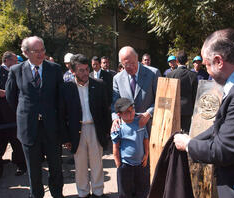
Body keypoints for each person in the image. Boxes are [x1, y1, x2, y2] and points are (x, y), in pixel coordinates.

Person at [173, 28, 234, 198]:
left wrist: (188, 145)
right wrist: (194, 139)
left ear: (218, 61)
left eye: (206, 65)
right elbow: (223, 126)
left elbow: (225, 150)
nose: (206, 71)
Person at [6, 36, 65, 198]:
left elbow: (60, 99)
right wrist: (27, 113)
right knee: (33, 170)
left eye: (42, 50)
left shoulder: (54, 69)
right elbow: (12, 97)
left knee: (56, 168)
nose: (40, 54)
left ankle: (57, 194)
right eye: (36, 51)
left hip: (51, 128)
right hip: (29, 129)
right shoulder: (16, 71)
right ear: (25, 53)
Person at [112, 46, 161, 195]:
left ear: (138, 58)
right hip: (127, 134)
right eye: (126, 65)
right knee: (127, 176)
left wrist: (149, 113)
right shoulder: (117, 78)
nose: (130, 67)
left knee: (146, 169)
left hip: (147, 128)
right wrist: (115, 119)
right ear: (121, 63)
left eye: (133, 63)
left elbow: (161, 99)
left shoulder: (153, 73)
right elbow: (115, 103)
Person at [62, 54, 110, 198]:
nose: (85, 73)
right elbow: (62, 115)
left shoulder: (99, 84)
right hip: (77, 131)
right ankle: (83, 193)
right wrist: (66, 138)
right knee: (80, 165)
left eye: (86, 69)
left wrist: (107, 131)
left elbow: (105, 111)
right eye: (81, 70)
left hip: (95, 129)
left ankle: (98, 192)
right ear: (73, 71)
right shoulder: (67, 88)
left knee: (97, 164)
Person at [111, 98, 149, 198]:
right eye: (127, 112)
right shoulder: (118, 127)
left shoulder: (140, 122)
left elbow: (145, 139)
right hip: (125, 165)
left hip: (140, 164)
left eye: (132, 109)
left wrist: (146, 154)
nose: (131, 113)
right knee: (125, 193)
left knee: (141, 191)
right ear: (119, 115)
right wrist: (119, 165)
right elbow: (115, 147)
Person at [0, 51, 26, 178]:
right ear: (7, 61)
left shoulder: (17, 73)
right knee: (1, 142)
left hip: (14, 115)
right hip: (1, 116)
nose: (17, 63)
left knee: (17, 143)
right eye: (15, 61)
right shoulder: (0, 72)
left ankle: (21, 165)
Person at [167, 51, 198, 133]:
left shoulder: (170, 75)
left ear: (176, 61)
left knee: (172, 133)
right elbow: (195, 95)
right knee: (185, 133)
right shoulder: (193, 76)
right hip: (187, 109)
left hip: (173, 108)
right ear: (187, 61)